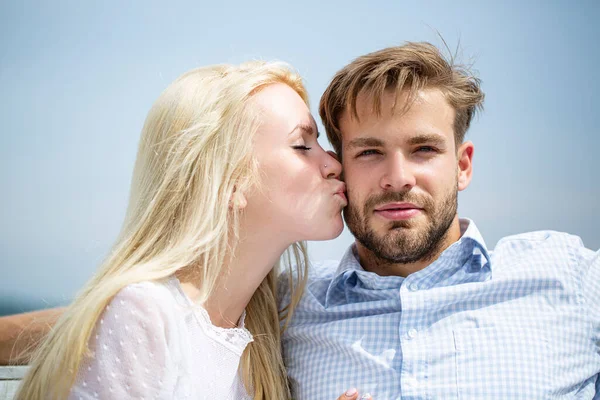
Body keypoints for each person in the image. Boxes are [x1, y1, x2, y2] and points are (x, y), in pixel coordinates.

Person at [9, 61, 363, 400]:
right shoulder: (144, 313)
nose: (334, 163)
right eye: (302, 145)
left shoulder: (265, 321)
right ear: (229, 182)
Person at [279, 42, 600, 399]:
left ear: (462, 166)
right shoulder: (284, 308)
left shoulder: (572, 277)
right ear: (339, 169)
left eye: (424, 150)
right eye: (369, 152)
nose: (398, 177)